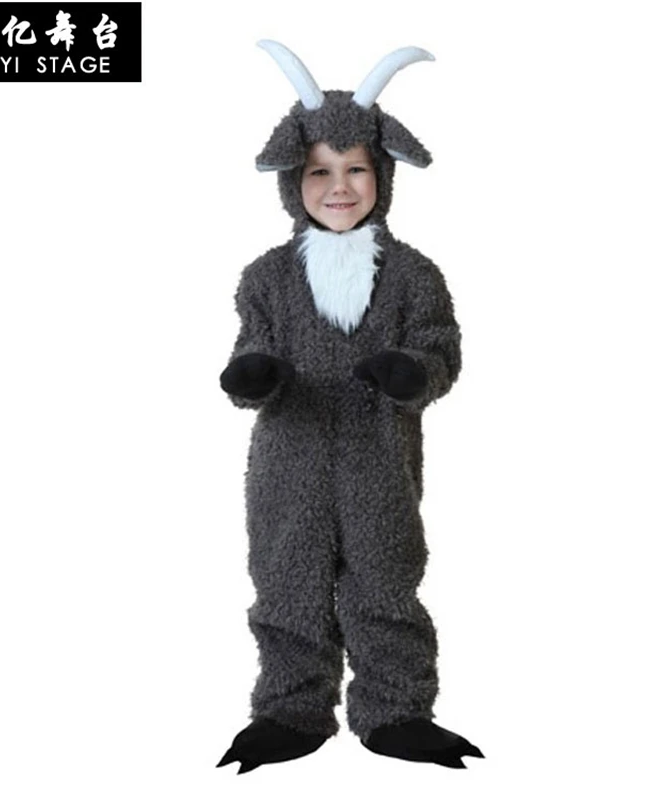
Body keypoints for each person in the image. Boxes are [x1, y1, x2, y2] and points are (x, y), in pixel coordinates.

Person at [216, 40, 484, 774]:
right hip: (288, 463)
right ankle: (289, 711)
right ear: (293, 179)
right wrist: (252, 376)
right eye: (320, 172)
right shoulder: (266, 278)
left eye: (356, 169)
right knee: (286, 581)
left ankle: (397, 710)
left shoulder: (413, 275)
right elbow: (250, 353)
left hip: (379, 462)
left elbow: (440, 353)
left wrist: (411, 371)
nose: (339, 187)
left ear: (383, 172)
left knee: (386, 580)